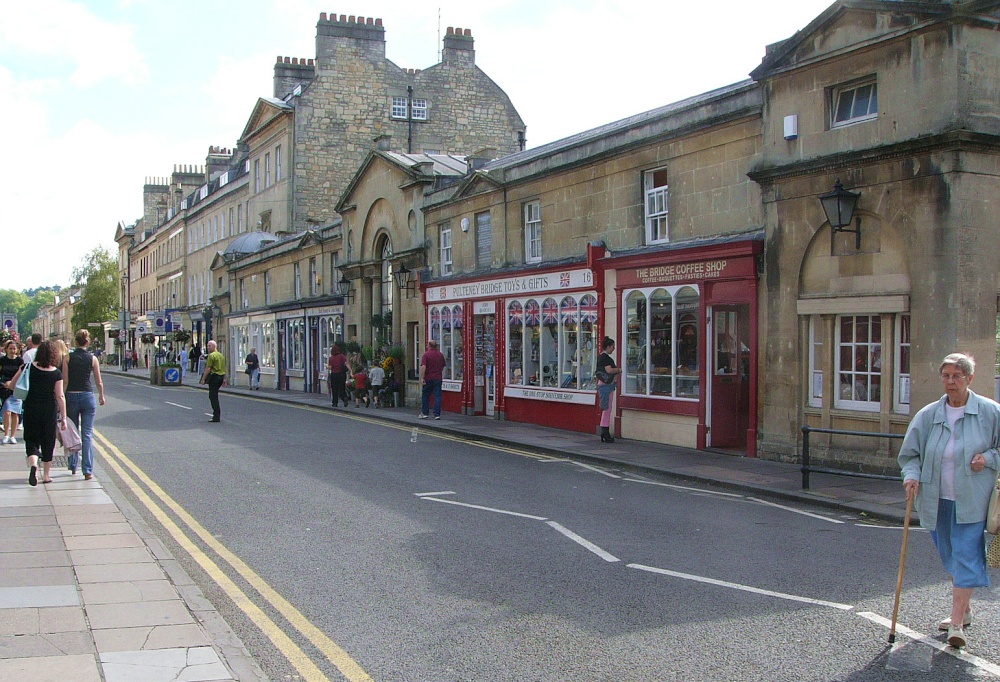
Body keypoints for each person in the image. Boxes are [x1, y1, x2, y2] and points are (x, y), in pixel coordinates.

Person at [898, 353, 1000, 650]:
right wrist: (911, 476)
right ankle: (965, 609)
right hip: (935, 498)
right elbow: (910, 455)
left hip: (973, 500)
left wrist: (990, 457)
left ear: (970, 378)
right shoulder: (929, 415)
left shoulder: (991, 412)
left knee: (967, 554)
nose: (951, 382)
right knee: (951, 555)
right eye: (946, 376)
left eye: (957, 376)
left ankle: (956, 623)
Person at [6, 340, 66, 486]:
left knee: (32, 439)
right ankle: (45, 475)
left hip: (31, 408)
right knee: (48, 440)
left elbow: (13, 385)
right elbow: (60, 396)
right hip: (49, 410)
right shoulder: (56, 373)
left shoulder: (26, 367)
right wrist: (63, 416)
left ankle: (33, 465)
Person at [62, 329, 106, 480]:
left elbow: (65, 381)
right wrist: (101, 395)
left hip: (71, 396)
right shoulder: (93, 358)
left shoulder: (67, 358)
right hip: (88, 396)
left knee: (72, 432)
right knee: (87, 434)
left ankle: (73, 465)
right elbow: (98, 381)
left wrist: (62, 397)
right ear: (87, 342)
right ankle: (87, 471)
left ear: (75, 342)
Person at [596, 337, 622, 443]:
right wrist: (619, 370)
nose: (614, 348)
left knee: (606, 409)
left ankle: (604, 432)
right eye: (612, 346)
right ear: (608, 346)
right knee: (607, 409)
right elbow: (609, 370)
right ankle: (605, 433)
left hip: (604, 386)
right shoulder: (605, 357)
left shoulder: (601, 357)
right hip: (606, 386)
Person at [1, 340, 25, 445]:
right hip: (5, 388)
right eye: (10, 348)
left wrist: (14, 383)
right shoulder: (2, 360)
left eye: (14, 348)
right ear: (6, 349)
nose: (12, 350)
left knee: (15, 413)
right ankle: (6, 434)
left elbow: (22, 374)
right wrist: (4, 383)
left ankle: (13, 435)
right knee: (7, 411)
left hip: (17, 388)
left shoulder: (20, 361)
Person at [199, 340, 226, 422]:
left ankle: (216, 416)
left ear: (214, 346)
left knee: (213, 396)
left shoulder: (211, 356)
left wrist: (203, 378)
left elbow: (208, 368)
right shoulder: (221, 355)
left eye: (209, 346)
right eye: (207, 346)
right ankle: (216, 415)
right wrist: (224, 378)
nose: (208, 347)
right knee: (214, 395)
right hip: (220, 377)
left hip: (214, 377)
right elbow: (223, 368)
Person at [419, 339, 445, 419]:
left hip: (428, 378)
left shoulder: (426, 355)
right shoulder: (440, 355)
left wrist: (422, 378)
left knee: (426, 395)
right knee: (437, 396)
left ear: (429, 346)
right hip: (438, 378)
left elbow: (423, 366)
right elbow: (443, 366)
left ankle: (425, 413)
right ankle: (437, 414)